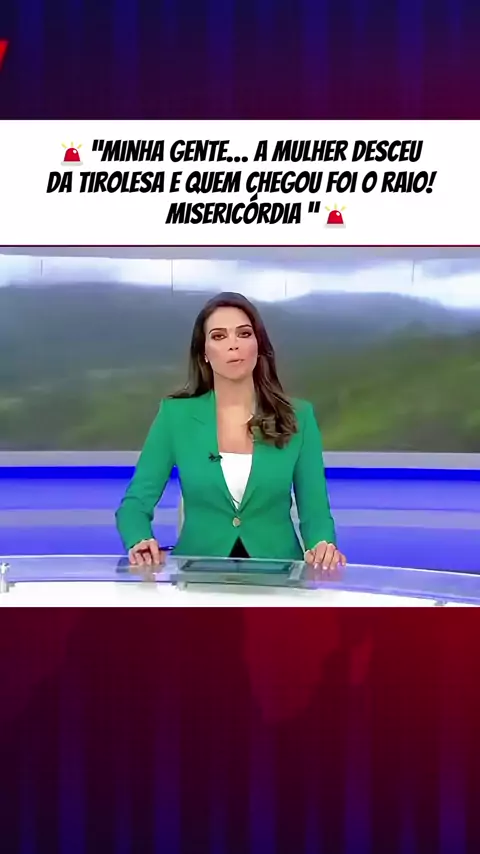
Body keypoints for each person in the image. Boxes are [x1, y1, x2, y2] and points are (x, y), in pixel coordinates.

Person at [115, 292, 346, 571]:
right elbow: (135, 504)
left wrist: (322, 545)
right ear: (204, 353)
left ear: (258, 345)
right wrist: (139, 539)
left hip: (279, 574)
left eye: (244, 334)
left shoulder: (299, 416)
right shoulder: (175, 416)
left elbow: (315, 512)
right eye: (219, 336)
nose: (233, 345)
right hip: (199, 574)